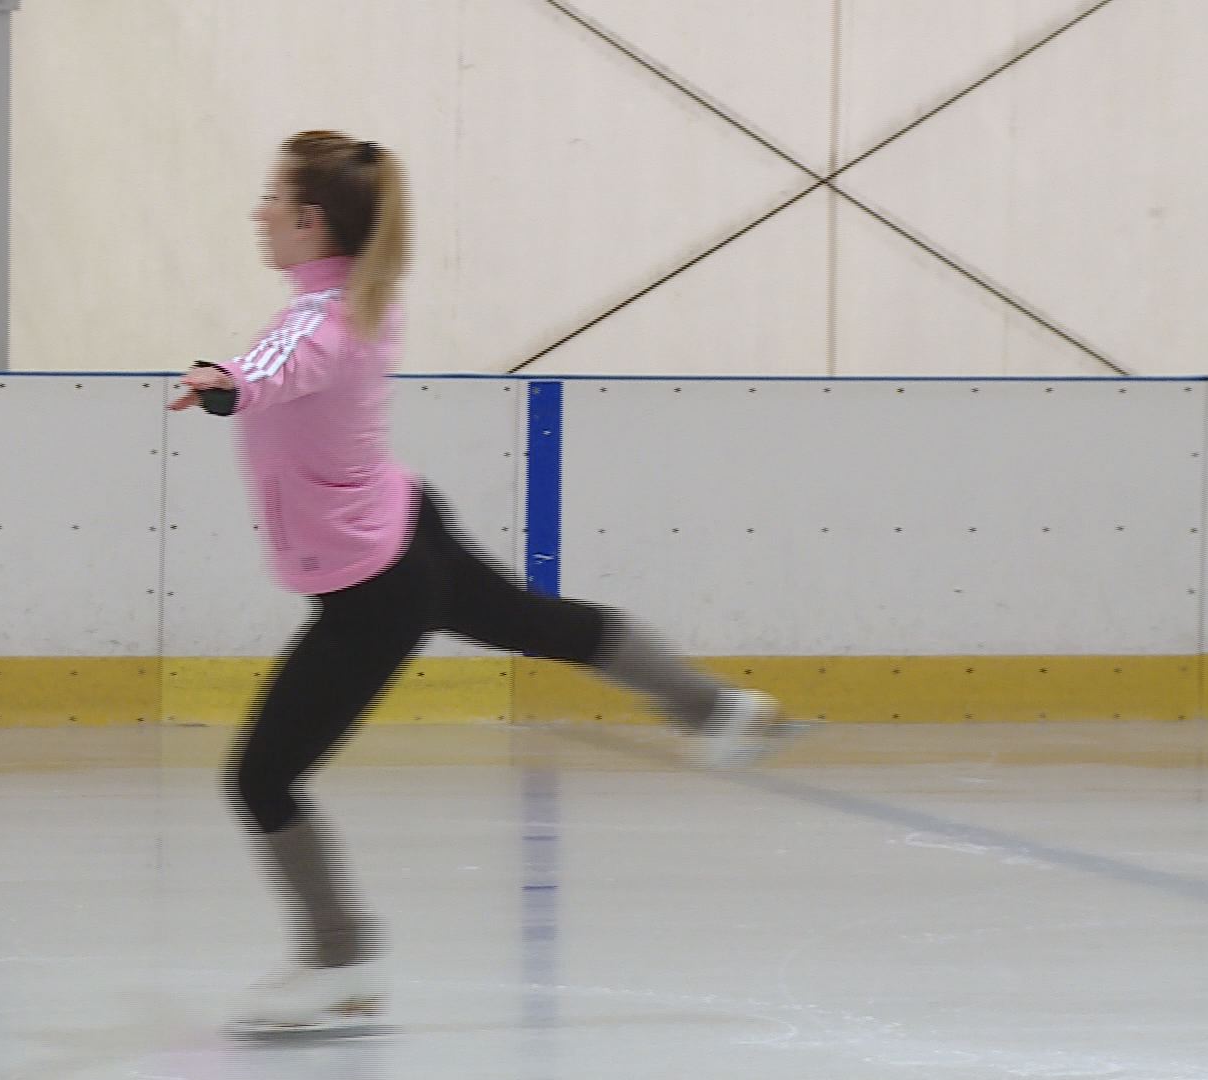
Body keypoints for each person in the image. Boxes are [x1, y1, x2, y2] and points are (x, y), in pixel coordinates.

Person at [170, 130, 783, 1034]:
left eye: (272, 198)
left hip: (376, 588)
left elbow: (275, 369)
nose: (257, 213)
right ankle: (716, 710)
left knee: (260, 780)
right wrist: (238, 380)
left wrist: (223, 381)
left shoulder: (321, 320)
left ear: (310, 222)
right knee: (544, 624)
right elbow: (294, 359)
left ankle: (341, 962)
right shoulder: (363, 300)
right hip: (408, 531)